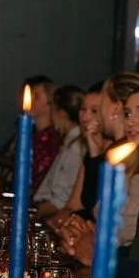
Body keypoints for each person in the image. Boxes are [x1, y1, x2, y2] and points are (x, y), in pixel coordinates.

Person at [63, 81, 139, 278]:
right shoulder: (126, 166)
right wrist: (82, 236)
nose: (131, 121)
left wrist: (97, 251)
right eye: (127, 114)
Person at [45, 82, 110, 228]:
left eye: (94, 111)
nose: (85, 117)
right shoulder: (88, 150)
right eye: (82, 109)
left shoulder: (116, 156)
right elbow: (72, 206)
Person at [33, 86, 85, 217]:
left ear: (61, 113)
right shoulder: (68, 142)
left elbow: (60, 200)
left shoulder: (75, 148)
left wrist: (30, 215)